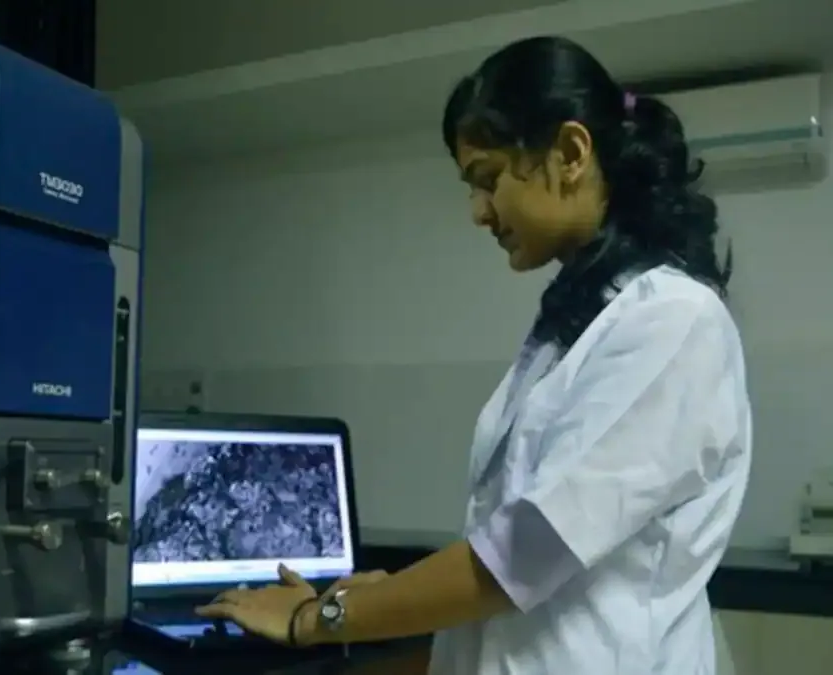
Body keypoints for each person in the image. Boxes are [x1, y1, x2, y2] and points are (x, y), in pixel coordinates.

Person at [197, 35, 752, 674]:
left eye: (488, 180)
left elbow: (523, 555)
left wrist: (315, 620)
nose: (478, 213)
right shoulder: (576, 323)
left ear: (571, 153)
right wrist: (388, 595)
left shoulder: (672, 320)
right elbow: (520, 551)